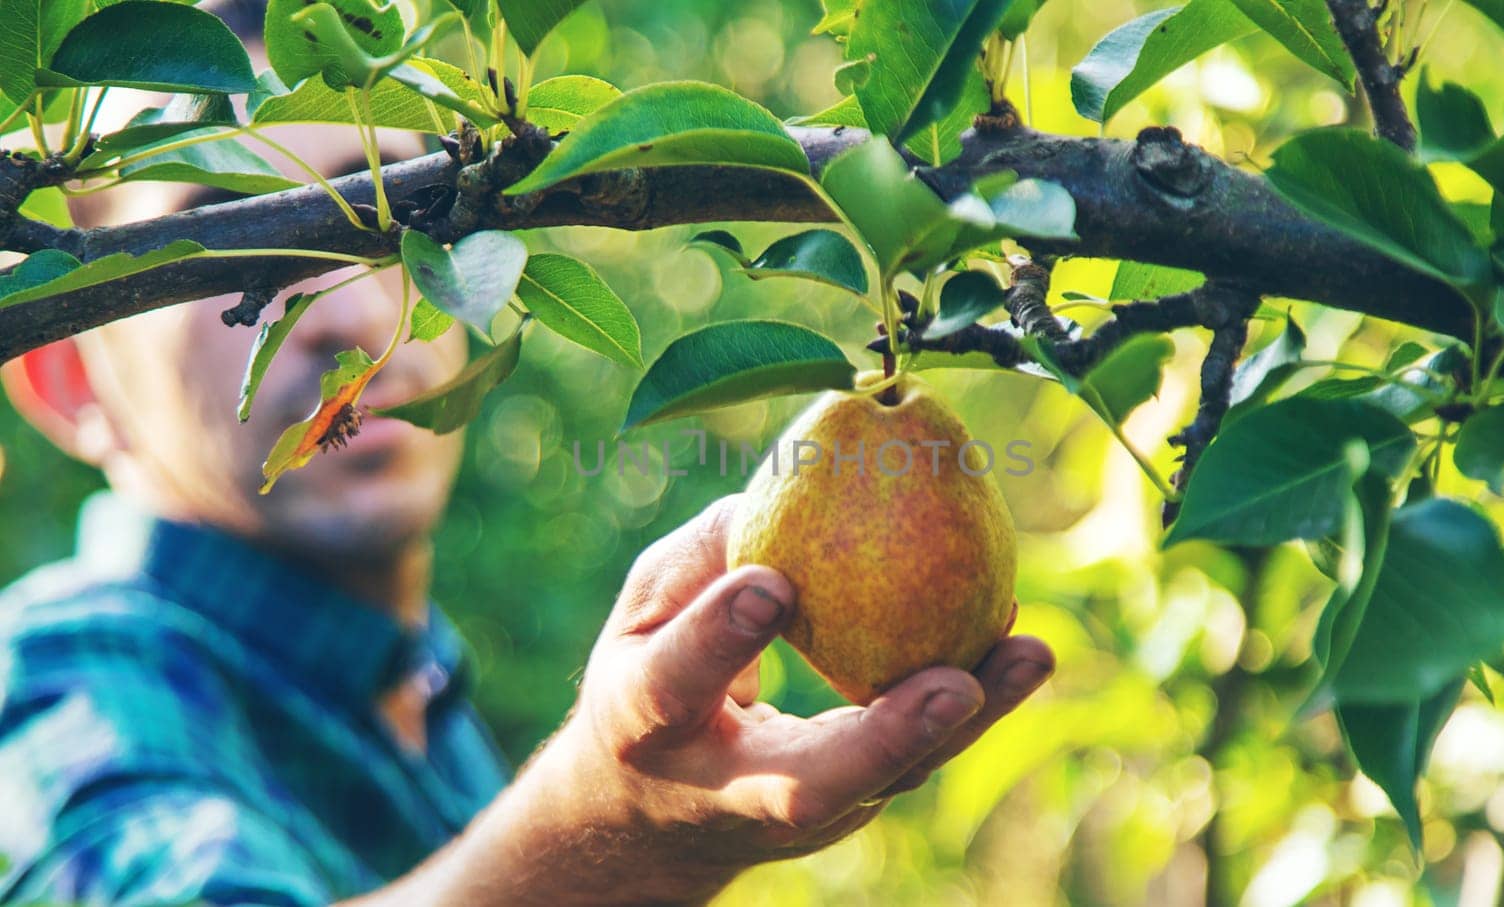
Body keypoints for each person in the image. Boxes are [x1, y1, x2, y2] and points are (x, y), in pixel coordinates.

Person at [0, 5, 1055, 904]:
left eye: (394, 217)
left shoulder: (418, 683)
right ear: (66, 380)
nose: (355, 312)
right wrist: (604, 827)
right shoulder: (52, 685)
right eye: (227, 243)